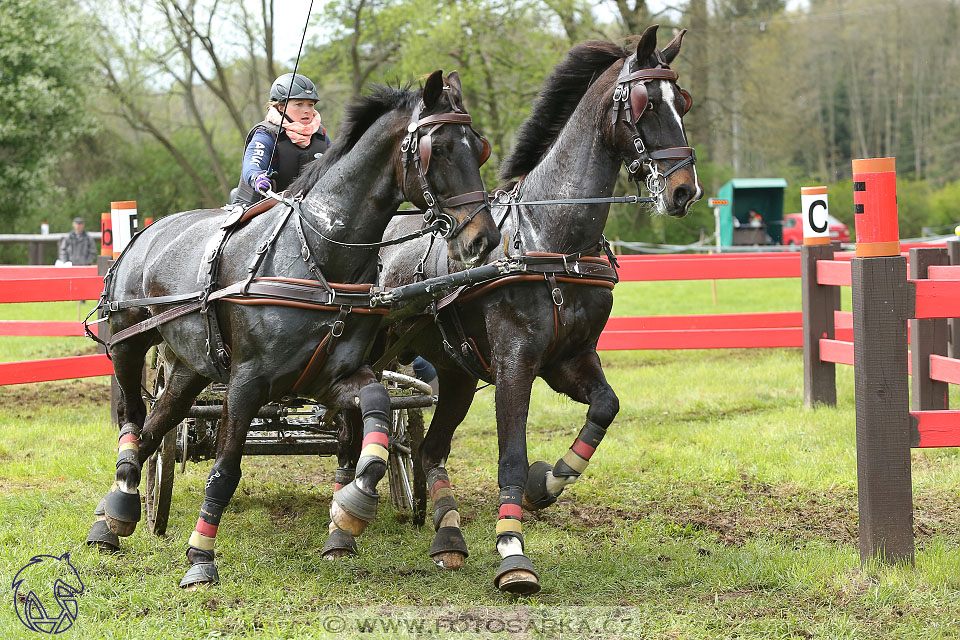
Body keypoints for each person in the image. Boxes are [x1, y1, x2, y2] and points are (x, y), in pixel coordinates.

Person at [232, 72, 332, 206]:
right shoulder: (266, 134)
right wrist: (257, 177)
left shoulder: (321, 136)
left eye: (310, 104)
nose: (307, 110)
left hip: (308, 208)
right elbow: (252, 165)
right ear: (281, 107)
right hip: (260, 209)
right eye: (299, 104)